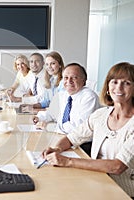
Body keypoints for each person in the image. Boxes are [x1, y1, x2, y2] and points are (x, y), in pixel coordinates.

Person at [42, 62, 134, 198]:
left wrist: (67, 162)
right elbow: (71, 138)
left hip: (123, 192)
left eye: (126, 83)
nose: (118, 87)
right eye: (114, 82)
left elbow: (117, 166)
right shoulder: (101, 115)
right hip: (97, 181)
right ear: (108, 87)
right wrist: (57, 149)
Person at [33, 63, 100, 155]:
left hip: (81, 145)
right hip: (63, 139)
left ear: (84, 81)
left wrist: (50, 127)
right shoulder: (63, 94)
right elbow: (51, 114)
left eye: (74, 77)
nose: (69, 81)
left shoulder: (89, 97)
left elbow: (78, 129)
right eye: (66, 78)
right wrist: (39, 118)